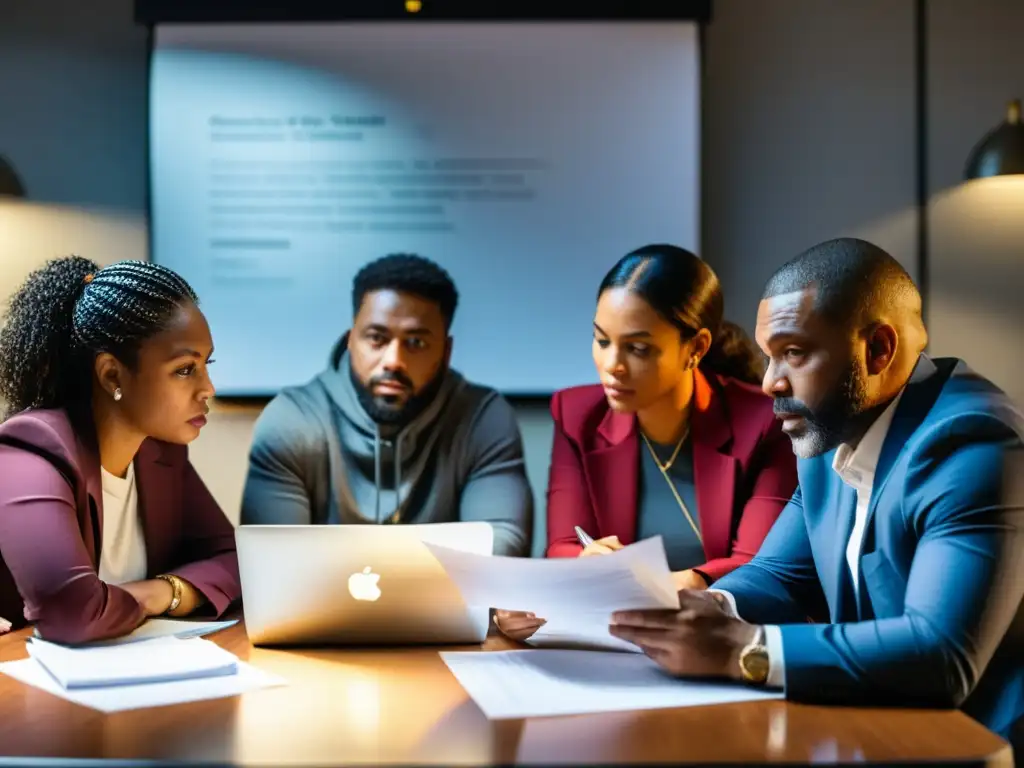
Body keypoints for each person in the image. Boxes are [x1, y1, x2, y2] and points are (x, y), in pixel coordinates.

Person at [607, 238, 1024, 751]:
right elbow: (781, 574)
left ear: (877, 350)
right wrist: (706, 607)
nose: (768, 383)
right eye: (767, 357)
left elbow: (941, 655)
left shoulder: (973, 445)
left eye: (793, 354)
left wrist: (748, 650)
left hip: (978, 743)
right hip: (877, 728)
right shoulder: (830, 432)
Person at [495, 244, 797, 641]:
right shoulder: (576, 415)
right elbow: (563, 545)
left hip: (723, 640)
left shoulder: (764, 423)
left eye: (637, 348)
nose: (612, 366)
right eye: (602, 341)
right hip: (618, 644)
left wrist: (685, 582)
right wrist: (585, 563)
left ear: (696, 348)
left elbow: (760, 564)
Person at [0, 256, 241, 645]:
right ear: (112, 374)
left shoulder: (161, 455)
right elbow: (73, 613)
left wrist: (160, 591)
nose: (208, 388)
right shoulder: (30, 452)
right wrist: (154, 598)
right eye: (185, 369)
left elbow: (234, 558)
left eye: (206, 365)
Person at [240, 253, 533, 556]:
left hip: (450, 607)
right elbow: (273, 559)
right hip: (321, 607)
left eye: (416, 343)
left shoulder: (482, 419)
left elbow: (502, 545)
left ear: (446, 352)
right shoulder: (292, 420)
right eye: (377, 338)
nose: (394, 360)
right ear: (351, 339)